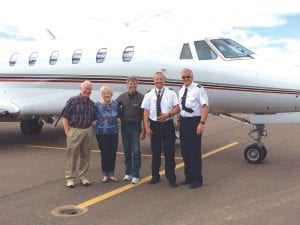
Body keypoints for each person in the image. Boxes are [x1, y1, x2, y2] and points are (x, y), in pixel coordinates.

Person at [141, 72, 180, 188]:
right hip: (155, 126)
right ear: (154, 81)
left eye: (161, 79)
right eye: (157, 79)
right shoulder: (149, 94)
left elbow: (177, 108)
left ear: (164, 80)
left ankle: (171, 178)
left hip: (168, 125)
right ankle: (155, 176)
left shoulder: (171, 93)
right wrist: (147, 127)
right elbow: (146, 112)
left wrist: (168, 115)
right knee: (156, 152)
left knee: (169, 153)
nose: (159, 81)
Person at [177, 68, 209, 189]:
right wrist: (179, 120)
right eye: (183, 77)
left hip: (194, 121)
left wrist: (202, 123)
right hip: (184, 122)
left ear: (192, 77)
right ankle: (188, 177)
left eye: (188, 77)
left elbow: (205, 107)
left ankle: (197, 179)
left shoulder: (199, 89)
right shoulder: (181, 90)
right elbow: (181, 108)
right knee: (185, 151)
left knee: (194, 151)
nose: (185, 79)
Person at [62, 80, 97, 188]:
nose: (87, 91)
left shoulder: (92, 104)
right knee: (72, 156)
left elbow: (94, 117)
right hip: (75, 130)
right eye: (85, 89)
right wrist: (68, 132)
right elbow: (65, 117)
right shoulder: (73, 100)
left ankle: (83, 177)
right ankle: (70, 178)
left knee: (86, 155)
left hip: (88, 130)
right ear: (81, 89)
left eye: (89, 89)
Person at [116, 76, 146, 184]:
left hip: (136, 127)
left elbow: (144, 115)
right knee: (127, 150)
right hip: (124, 126)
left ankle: (136, 175)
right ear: (127, 84)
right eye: (130, 83)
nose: (132, 85)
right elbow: (114, 107)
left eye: (134, 83)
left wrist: (144, 131)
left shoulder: (142, 98)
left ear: (137, 84)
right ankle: (128, 173)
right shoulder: (121, 97)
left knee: (136, 151)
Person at [95, 86, 120, 183]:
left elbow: (119, 114)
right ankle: (105, 175)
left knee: (112, 153)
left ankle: (111, 174)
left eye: (108, 93)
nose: (107, 95)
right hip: (101, 133)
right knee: (104, 153)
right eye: (105, 93)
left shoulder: (115, 104)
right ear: (102, 95)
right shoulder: (97, 105)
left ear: (111, 94)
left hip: (113, 132)